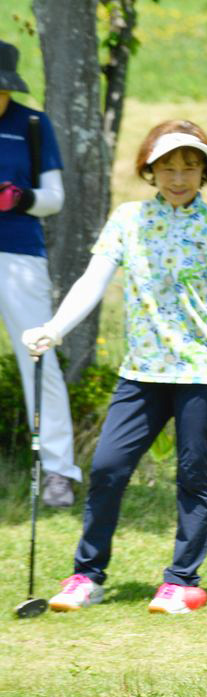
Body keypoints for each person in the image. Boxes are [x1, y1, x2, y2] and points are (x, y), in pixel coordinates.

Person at [23, 120, 207, 614]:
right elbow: (92, 281)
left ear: (204, 172)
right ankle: (87, 574)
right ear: (149, 170)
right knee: (107, 468)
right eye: (167, 167)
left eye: (190, 167)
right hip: (142, 372)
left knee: (194, 476)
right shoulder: (128, 220)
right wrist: (55, 328)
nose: (178, 177)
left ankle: (181, 580)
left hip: (202, 374)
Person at [0, 39, 81, 507]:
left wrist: (21, 198)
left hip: (19, 255)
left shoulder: (32, 124)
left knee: (38, 356)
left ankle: (58, 471)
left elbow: (55, 198)